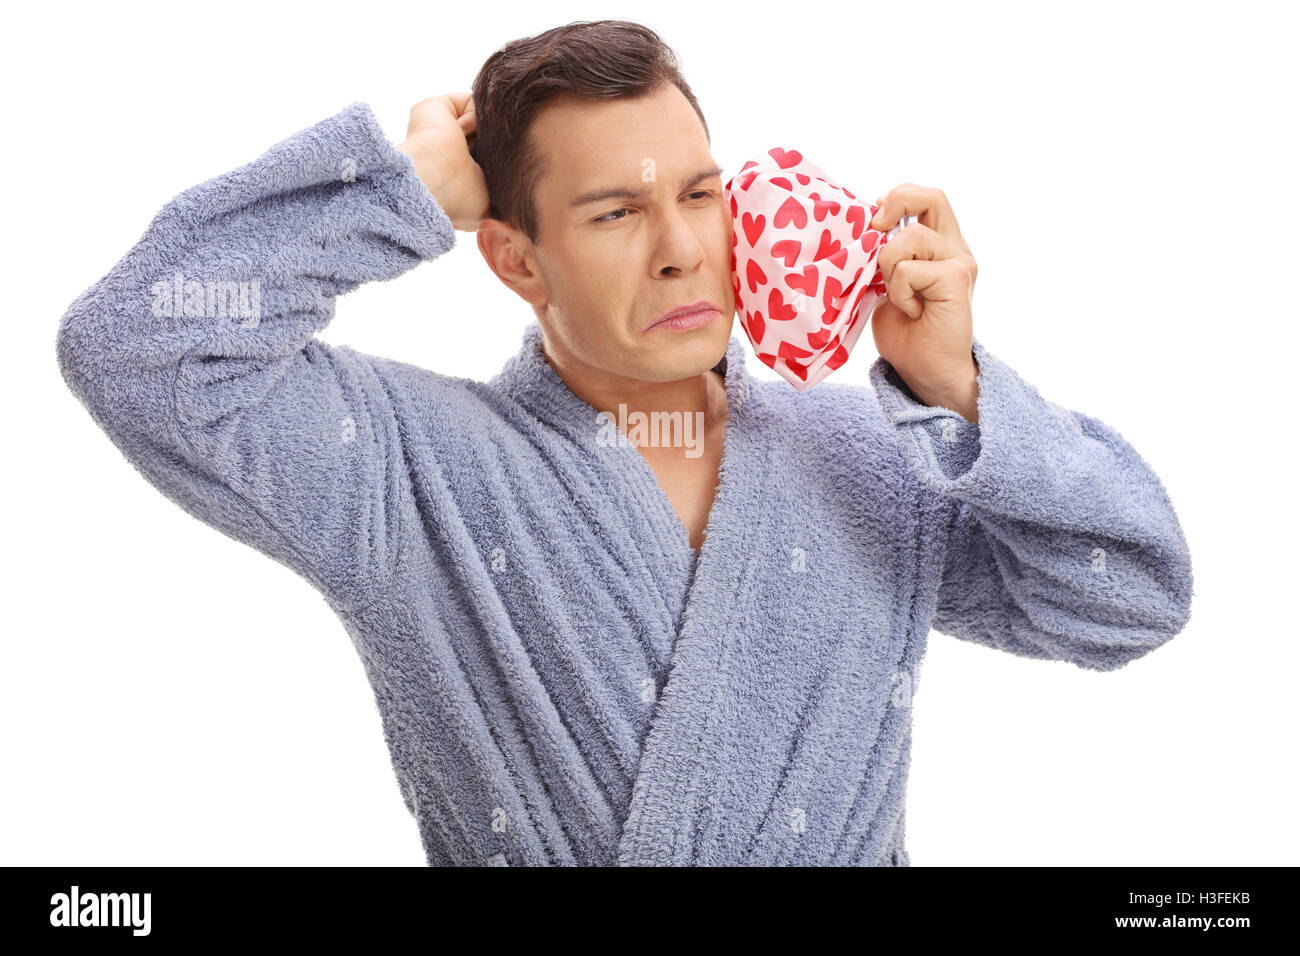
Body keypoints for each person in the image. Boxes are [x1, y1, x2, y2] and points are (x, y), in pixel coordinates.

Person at [55, 19, 1194, 866]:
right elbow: (132, 347)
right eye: (614, 212)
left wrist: (957, 387)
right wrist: (397, 189)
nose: (679, 250)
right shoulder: (411, 470)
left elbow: (1129, 595)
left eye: (698, 194)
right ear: (512, 257)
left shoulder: (871, 455)